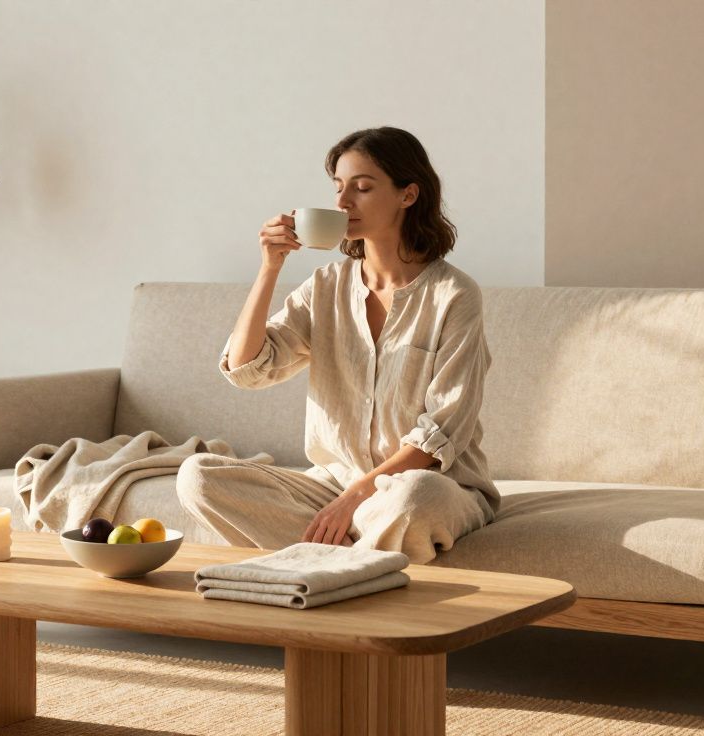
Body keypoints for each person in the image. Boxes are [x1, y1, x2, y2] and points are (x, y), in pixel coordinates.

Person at [175, 126, 500, 565]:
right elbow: (247, 368)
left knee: (413, 499)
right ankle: (357, 565)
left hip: (429, 484)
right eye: (339, 187)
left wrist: (353, 499)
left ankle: (327, 565)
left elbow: (438, 437)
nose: (343, 202)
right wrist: (270, 267)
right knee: (197, 476)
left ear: (408, 195)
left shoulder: (454, 295)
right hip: (332, 483)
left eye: (362, 188)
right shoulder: (325, 286)